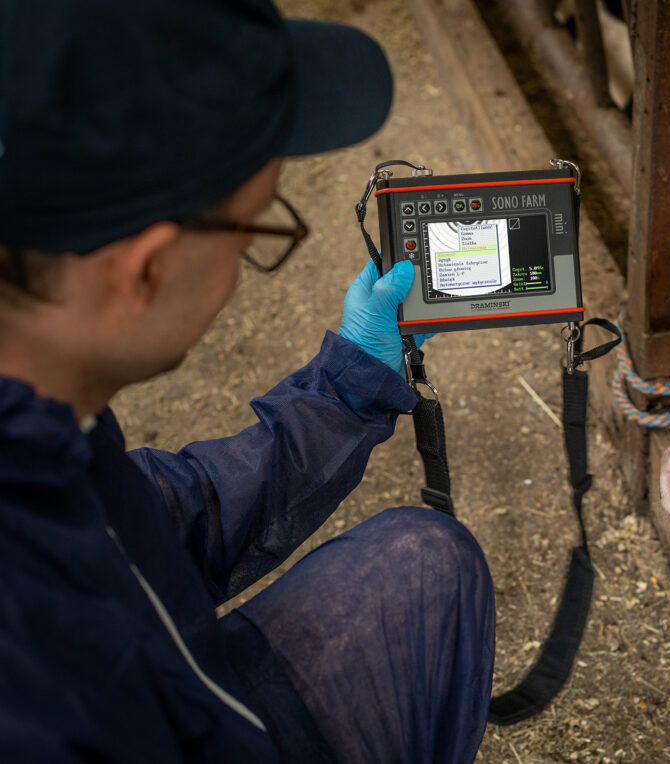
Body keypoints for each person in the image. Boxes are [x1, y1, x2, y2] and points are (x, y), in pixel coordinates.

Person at [0, 1, 496, 761]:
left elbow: (160, 527)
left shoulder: (44, 420)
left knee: (426, 559)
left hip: (184, 690)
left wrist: (347, 389)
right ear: (146, 270)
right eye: (254, 227)